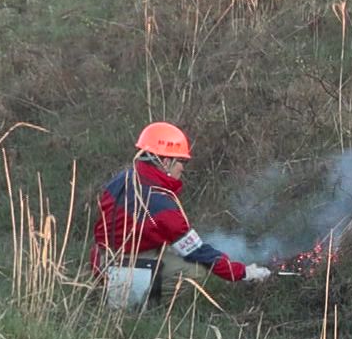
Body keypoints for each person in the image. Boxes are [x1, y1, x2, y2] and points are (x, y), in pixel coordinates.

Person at [91, 121, 272, 306]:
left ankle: (108, 287)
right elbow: (198, 252)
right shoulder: (160, 203)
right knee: (196, 272)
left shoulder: (123, 178)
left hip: (101, 258)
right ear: (166, 161)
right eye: (181, 162)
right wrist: (242, 272)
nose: (183, 168)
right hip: (124, 267)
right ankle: (140, 302)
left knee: (171, 249)